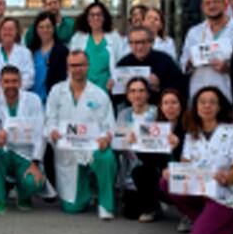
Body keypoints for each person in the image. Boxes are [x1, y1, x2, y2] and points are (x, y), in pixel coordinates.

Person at [161, 87, 233, 234]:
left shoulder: (232, 131)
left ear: (219, 107)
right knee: (165, 182)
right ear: (196, 106)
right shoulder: (192, 133)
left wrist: (227, 179)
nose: (207, 106)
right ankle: (201, 218)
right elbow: (185, 164)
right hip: (200, 191)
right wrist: (173, 172)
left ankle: (232, 226)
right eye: (202, 102)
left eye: (212, 102)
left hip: (224, 195)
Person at [45, 49, 118, 219]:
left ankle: (105, 204)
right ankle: (89, 188)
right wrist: (53, 132)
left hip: (92, 149)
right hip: (68, 152)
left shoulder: (99, 95)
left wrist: (106, 138)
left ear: (87, 66)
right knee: (73, 208)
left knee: (105, 157)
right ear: (67, 67)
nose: (77, 69)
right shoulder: (57, 91)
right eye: (73, 65)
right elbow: (49, 120)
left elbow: (110, 126)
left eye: (81, 65)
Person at [0, 66, 47, 214]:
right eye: (6, 81)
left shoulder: (33, 100)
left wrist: (35, 162)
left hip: (26, 155)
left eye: (14, 81)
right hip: (5, 152)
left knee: (33, 183)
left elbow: (40, 134)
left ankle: (24, 195)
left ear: (20, 82)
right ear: (0, 83)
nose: (10, 85)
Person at [181, 0, 233, 103]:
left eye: (216, 2)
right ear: (202, 7)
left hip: (228, 94)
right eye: (207, 3)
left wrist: (228, 68)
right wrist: (190, 62)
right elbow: (183, 63)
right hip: (199, 93)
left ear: (225, 4)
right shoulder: (194, 32)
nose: (212, 6)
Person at [130, 88, 184, 224]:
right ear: (161, 107)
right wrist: (137, 144)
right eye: (166, 103)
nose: (170, 107)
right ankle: (152, 208)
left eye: (174, 103)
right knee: (140, 172)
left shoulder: (189, 127)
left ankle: (189, 215)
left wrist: (178, 144)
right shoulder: (156, 127)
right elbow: (148, 160)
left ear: (181, 105)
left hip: (184, 172)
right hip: (163, 174)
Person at [114, 76, 160, 221]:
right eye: (133, 91)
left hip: (150, 169)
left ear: (148, 94)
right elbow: (118, 144)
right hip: (129, 170)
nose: (137, 95)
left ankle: (155, 203)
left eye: (141, 91)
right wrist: (124, 142)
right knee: (131, 214)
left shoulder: (157, 113)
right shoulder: (123, 114)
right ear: (127, 95)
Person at [116, 27, 187, 98]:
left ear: (151, 43)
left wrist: (159, 87)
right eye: (135, 43)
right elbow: (118, 97)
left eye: (143, 42)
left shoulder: (165, 61)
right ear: (129, 44)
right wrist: (112, 88)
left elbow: (180, 87)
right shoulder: (123, 63)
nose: (140, 47)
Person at [69, 2, 122, 93]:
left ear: (104, 17)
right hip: (83, 87)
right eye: (92, 15)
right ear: (87, 18)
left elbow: (120, 62)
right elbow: (71, 63)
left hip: (107, 88)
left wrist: (114, 79)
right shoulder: (78, 37)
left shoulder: (114, 37)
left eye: (99, 15)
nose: (95, 18)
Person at [0, 17, 35, 100]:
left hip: (17, 96)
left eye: (11, 29)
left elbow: (29, 76)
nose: (7, 32)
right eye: (4, 29)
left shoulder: (25, 53)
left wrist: (14, 89)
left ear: (17, 32)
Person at [26, 11, 68, 104]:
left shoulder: (61, 50)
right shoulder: (31, 51)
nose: (45, 30)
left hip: (52, 100)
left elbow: (64, 78)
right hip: (32, 100)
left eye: (48, 27)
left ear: (54, 28)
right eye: (41, 27)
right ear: (36, 29)